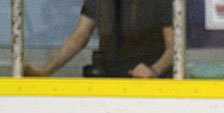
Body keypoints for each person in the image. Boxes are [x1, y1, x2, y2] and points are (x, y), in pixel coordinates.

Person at [24, 0, 173, 78]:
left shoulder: (161, 1)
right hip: (109, 79)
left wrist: (153, 70)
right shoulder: (99, 1)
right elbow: (78, 38)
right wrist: (46, 71)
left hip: (150, 86)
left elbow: (174, 47)